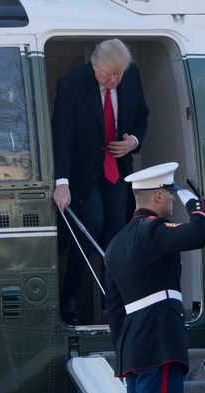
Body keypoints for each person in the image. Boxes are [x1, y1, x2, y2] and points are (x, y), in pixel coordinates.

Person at [103, 162, 205, 393]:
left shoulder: (115, 244)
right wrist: (196, 202)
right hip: (159, 344)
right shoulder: (153, 231)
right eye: (171, 193)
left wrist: (122, 354)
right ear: (159, 196)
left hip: (133, 351)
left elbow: (114, 309)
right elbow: (200, 232)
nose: (174, 199)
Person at [52, 38, 149, 324]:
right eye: (108, 75)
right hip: (83, 172)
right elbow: (62, 135)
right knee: (91, 223)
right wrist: (62, 182)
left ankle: (113, 300)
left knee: (117, 230)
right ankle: (69, 294)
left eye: (118, 74)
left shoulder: (129, 76)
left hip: (116, 168)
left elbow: (142, 114)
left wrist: (133, 141)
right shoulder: (71, 84)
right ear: (94, 66)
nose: (114, 80)